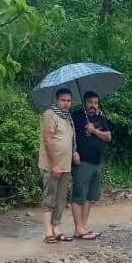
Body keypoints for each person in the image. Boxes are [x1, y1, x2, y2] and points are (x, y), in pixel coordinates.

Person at [38, 88, 79, 243]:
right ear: (56, 100)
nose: (66, 103)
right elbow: (48, 140)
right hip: (51, 165)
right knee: (50, 197)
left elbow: (69, 139)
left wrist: (74, 152)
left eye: (68, 100)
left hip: (65, 165)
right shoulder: (50, 114)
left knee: (61, 199)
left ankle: (57, 228)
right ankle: (48, 232)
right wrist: (54, 164)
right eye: (63, 100)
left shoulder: (68, 117)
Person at [71, 91, 112, 240]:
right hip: (82, 162)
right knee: (78, 196)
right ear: (84, 104)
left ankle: (83, 227)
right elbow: (70, 137)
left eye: (96, 103)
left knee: (90, 197)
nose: (93, 106)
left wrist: (93, 130)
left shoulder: (100, 118)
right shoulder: (76, 117)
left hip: (96, 163)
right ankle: (78, 228)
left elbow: (108, 136)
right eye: (90, 103)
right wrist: (73, 152)